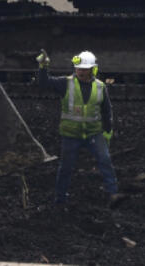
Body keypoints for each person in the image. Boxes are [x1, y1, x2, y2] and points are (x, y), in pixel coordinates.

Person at [36, 49, 124, 207]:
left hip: (93, 133)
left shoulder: (100, 87)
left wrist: (108, 130)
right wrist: (43, 66)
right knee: (66, 168)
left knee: (105, 160)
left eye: (84, 69)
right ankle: (60, 200)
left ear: (92, 70)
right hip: (71, 135)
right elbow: (43, 83)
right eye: (79, 68)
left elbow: (106, 110)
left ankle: (113, 194)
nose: (81, 71)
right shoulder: (66, 83)